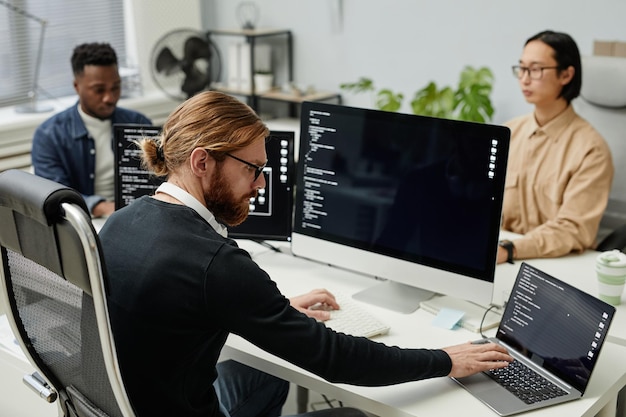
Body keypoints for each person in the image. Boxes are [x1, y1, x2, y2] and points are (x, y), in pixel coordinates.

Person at [98, 91, 512, 417]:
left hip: (138, 403)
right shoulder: (216, 263)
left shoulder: (121, 222)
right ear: (202, 161)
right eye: (253, 169)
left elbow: (173, 312)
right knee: (351, 416)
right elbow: (337, 361)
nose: (260, 185)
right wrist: (445, 360)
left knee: (262, 376)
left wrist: (265, 309)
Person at [498, 30, 614, 264]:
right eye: (521, 68)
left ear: (566, 75)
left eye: (536, 69)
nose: (525, 78)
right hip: (503, 255)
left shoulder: (591, 150)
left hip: (557, 263)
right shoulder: (508, 133)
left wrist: (511, 249)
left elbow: (573, 229)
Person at [31, 42, 151, 218]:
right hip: (83, 221)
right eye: (99, 90)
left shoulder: (139, 123)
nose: (110, 98)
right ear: (77, 87)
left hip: (139, 214)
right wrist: (102, 207)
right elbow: (56, 196)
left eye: (116, 87)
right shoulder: (49, 136)